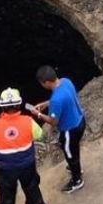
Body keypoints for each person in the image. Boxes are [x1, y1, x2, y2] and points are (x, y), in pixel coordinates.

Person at [0, 88, 47, 204]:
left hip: (5, 168)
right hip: (27, 165)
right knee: (31, 188)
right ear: (19, 105)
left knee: (6, 192)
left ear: (2, 107)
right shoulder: (28, 121)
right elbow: (39, 134)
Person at [30, 65, 87, 193]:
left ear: (46, 82)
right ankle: (76, 168)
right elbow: (64, 98)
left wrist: (38, 114)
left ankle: (77, 179)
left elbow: (53, 121)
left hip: (70, 130)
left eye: (41, 83)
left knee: (69, 153)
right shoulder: (66, 81)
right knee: (74, 148)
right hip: (80, 120)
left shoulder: (56, 99)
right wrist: (46, 103)